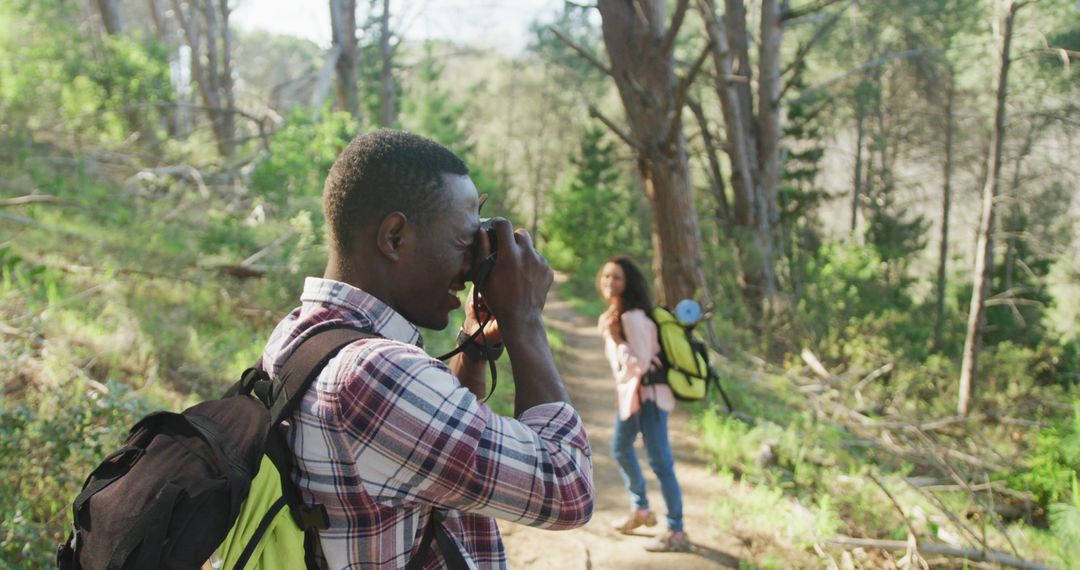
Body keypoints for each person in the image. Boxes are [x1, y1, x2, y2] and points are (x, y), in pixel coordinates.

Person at [261, 129, 594, 568]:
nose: (473, 265)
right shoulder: (372, 374)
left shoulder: (302, 334)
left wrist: (473, 348)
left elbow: (428, 454)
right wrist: (525, 319)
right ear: (394, 237)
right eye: (463, 241)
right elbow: (568, 488)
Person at [596, 256, 690, 553]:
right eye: (606, 276)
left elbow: (642, 363)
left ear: (629, 283)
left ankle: (676, 531)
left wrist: (618, 340)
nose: (610, 282)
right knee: (620, 448)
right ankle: (641, 511)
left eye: (617, 278)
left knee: (661, 463)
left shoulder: (632, 317)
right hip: (634, 397)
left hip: (649, 396)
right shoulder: (617, 313)